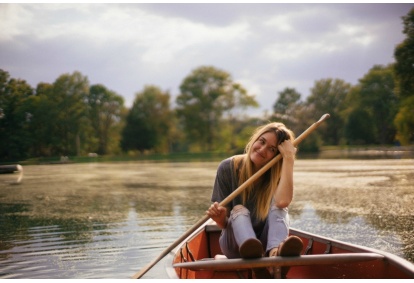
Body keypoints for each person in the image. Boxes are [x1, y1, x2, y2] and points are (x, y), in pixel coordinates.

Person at [206, 122, 303, 278]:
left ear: (277, 155)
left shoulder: (278, 175)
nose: (262, 149)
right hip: (235, 246)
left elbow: (283, 202)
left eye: (272, 149)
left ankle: (274, 256)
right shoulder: (227, 168)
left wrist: (289, 159)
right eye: (262, 141)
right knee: (239, 209)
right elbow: (224, 224)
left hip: (266, 244)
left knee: (279, 207)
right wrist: (219, 219)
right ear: (255, 139)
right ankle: (255, 256)